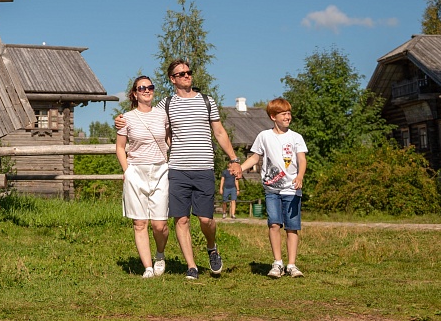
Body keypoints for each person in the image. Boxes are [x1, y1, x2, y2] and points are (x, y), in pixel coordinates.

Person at [118, 59, 243, 280]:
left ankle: (212, 247)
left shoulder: (207, 101)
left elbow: (220, 132)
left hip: (204, 167)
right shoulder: (165, 105)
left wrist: (234, 159)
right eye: (181, 73)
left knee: (206, 220)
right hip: (176, 169)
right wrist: (120, 119)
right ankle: (191, 266)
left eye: (188, 72)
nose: (186, 76)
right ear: (172, 79)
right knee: (181, 220)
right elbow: (144, 114)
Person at [238, 97, 307, 278]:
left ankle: (292, 265)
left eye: (289, 113)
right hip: (272, 190)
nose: (287, 117)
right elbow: (255, 158)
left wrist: (300, 176)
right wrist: (240, 168)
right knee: (274, 224)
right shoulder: (264, 136)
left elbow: (302, 159)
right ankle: (277, 263)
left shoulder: (296, 137)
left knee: (291, 227)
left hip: (292, 189)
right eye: (283, 114)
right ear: (273, 117)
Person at [115, 75, 170, 278]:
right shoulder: (126, 118)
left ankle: (160, 254)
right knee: (140, 223)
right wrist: (127, 170)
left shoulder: (162, 115)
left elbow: (169, 139)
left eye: (150, 87)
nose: (147, 90)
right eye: (142, 88)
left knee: (159, 225)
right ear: (135, 94)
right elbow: (120, 147)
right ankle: (148, 268)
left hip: (160, 170)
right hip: (136, 171)